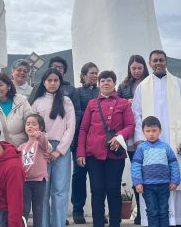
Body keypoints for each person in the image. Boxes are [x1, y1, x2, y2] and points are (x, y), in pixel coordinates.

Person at [131, 50, 181, 227]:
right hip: (149, 144)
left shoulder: (179, 84)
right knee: (150, 180)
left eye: (161, 60)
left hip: (176, 143)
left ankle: (177, 220)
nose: (158, 63)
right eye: (155, 60)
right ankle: (151, 221)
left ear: (166, 62)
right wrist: (139, 138)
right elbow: (136, 115)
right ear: (150, 63)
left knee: (176, 179)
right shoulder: (142, 87)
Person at [77, 70, 133, 227]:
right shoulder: (92, 104)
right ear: (99, 84)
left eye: (109, 80)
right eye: (102, 81)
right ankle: (98, 223)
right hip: (93, 154)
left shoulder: (122, 103)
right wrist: (81, 152)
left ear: (114, 83)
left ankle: (115, 223)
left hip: (115, 154)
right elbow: (83, 129)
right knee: (97, 191)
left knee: (113, 189)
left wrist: (119, 137)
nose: (106, 83)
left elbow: (130, 126)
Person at [30, 68, 76, 227]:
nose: (52, 83)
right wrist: (44, 146)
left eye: (55, 80)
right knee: (43, 192)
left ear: (60, 82)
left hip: (61, 150)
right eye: (49, 80)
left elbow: (70, 128)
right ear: (43, 82)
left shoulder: (66, 101)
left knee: (59, 192)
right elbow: (33, 127)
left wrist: (59, 151)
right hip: (41, 149)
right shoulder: (37, 102)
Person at [131, 116, 180, 227]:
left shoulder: (166, 147)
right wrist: (137, 182)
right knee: (152, 211)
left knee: (163, 211)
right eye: (148, 131)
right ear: (143, 132)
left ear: (160, 131)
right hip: (148, 187)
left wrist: (175, 180)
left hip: (164, 185)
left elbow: (173, 164)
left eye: (154, 130)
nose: (151, 134)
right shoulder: (141, 148)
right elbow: (136, 166)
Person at [117, 54, 148, 225]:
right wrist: (125, 103)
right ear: (129, 69)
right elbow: (117, 104)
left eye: (139, 68)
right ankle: (139, 213)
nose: (136, 71)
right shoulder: (123, 86)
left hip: (148, 132)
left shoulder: (151, 84)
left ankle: (148, 210)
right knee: (137, 172)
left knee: (149, 172)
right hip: (131, 135)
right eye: (133, 68)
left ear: (144, 68)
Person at [71, 62, 99, 224]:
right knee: (79, 177)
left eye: (96, 73)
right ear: (83, 76)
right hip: (80, 142)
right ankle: (77, 210)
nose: (94, 76)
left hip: (98, 143)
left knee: (97, 179)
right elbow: (75, 115)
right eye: (91, 73)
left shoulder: (102, 91)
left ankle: (98, 212)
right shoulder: (77, 92)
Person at [18, 114, 52, 227]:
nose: (30, 126)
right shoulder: (21, 147)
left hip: (39, 181)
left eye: (34, 124)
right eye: (28, 124)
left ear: (40, 127)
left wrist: (39, 135)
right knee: (25, 209)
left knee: (38, 209)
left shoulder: (41, 143)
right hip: (25, 182)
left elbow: (46, 145)